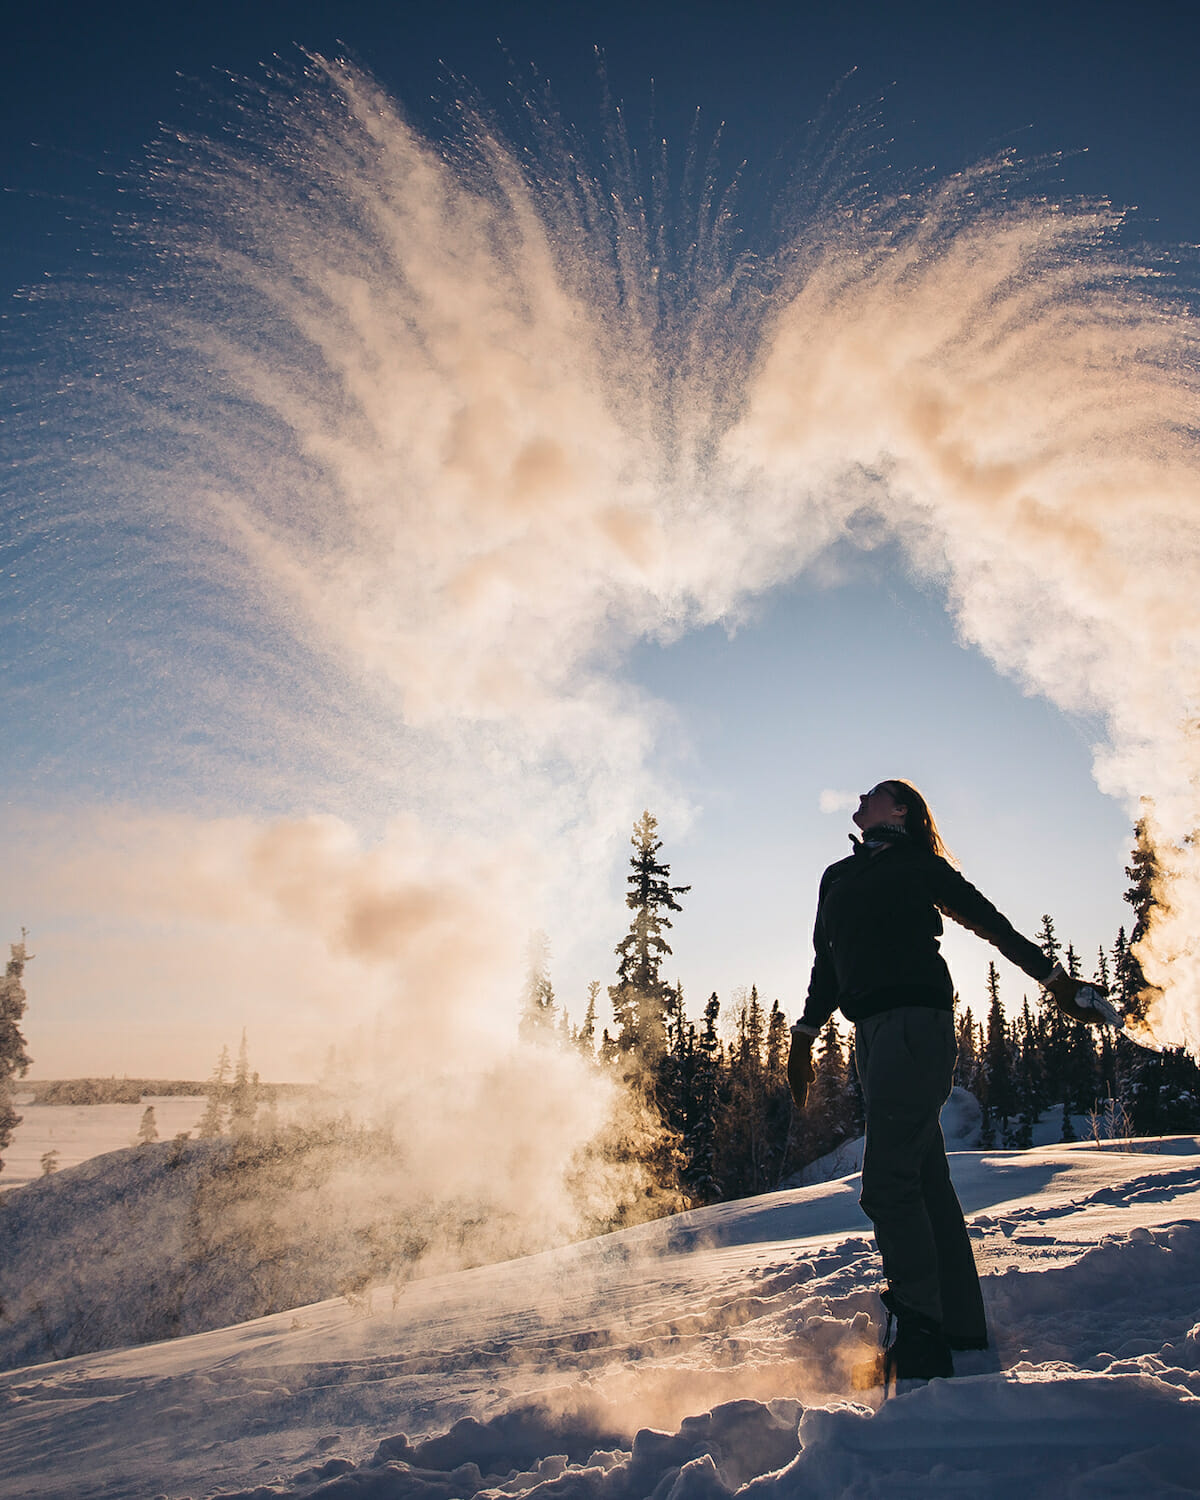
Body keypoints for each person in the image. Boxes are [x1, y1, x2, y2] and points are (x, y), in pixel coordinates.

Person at [787, 778, 1111, 1385]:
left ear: (902, 811)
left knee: (887, 1187)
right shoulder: (836, 876)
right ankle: (961, 1327)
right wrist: (805, 1033)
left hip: (916, 1027)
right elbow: (826, 961)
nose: (862, 796)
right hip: (874, 1035)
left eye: (877, 792)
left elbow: (991, 923)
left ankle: (920, 1337)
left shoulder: (918, 866)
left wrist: (1054, 981)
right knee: (925, 1181)